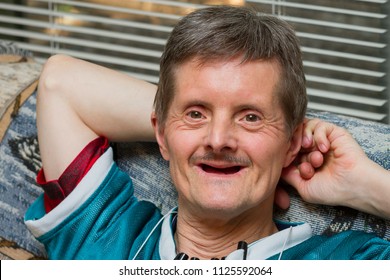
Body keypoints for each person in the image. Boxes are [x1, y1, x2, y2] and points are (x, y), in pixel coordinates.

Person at [25, 5, 390, 260]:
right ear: (161, 134)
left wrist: (369, 188)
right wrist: (178, 120)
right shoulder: (105, 237)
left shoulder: (347, 261)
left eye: (250, 117)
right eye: (197, 113)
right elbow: (60, 82)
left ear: (293, 143)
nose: (218, 140)